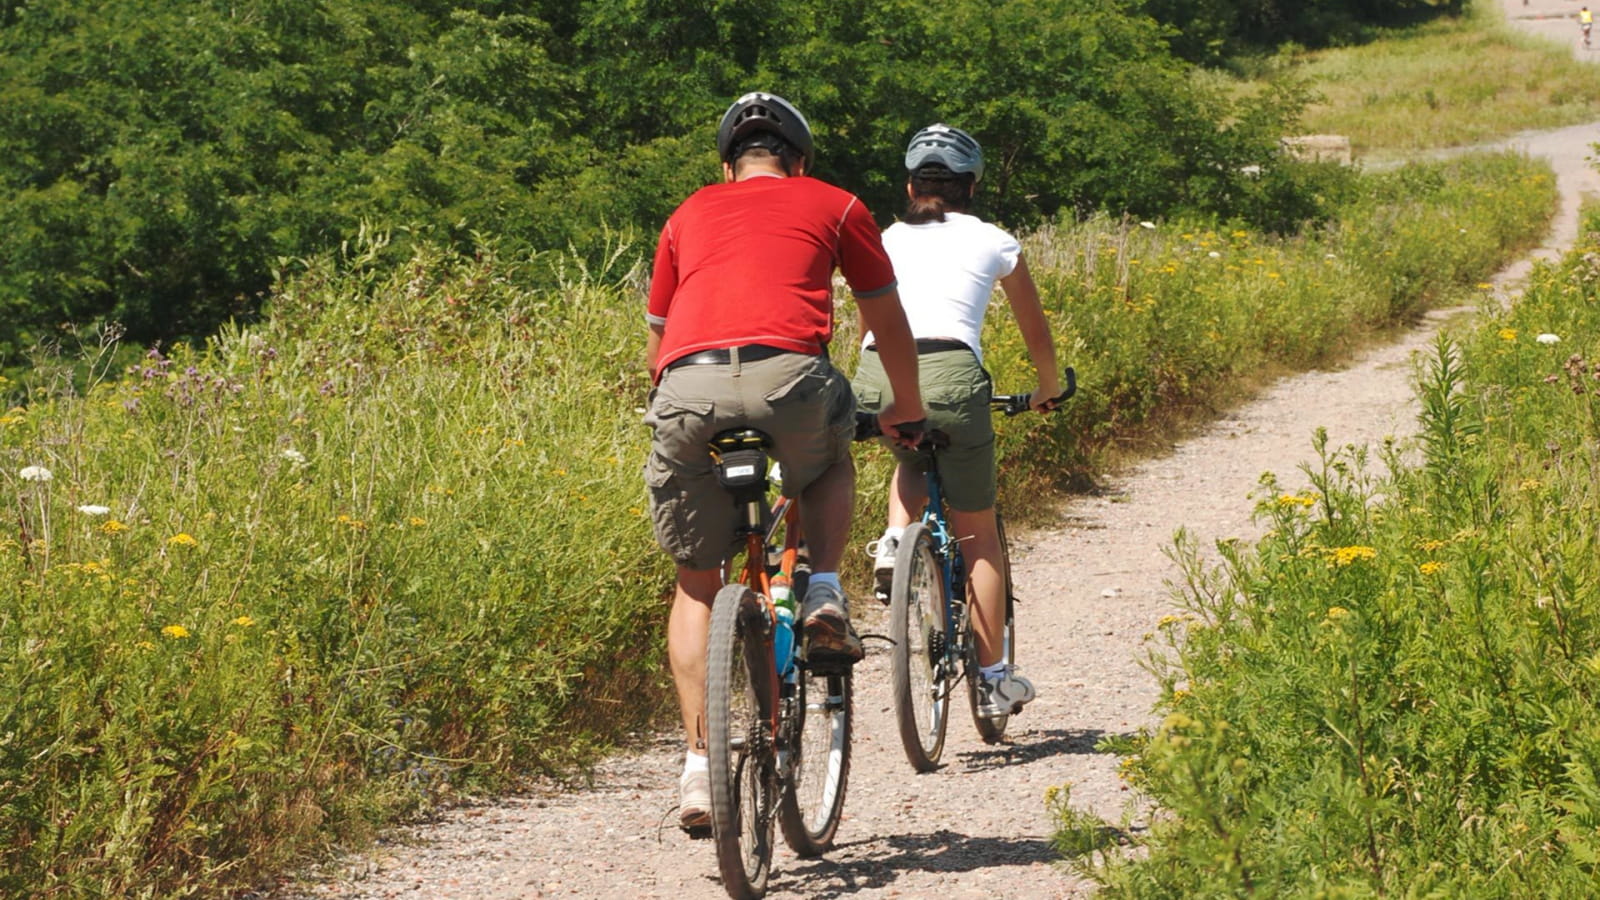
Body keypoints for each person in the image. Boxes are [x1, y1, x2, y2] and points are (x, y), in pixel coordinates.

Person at [644, 92, 926, 832]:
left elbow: (655, 347)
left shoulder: (686, 214)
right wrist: (905, 406)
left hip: (688, 388)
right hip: (790, 380)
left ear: (727, 164)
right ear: (799, 160)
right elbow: (884, 315)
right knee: (831, 455)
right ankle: (826, 592)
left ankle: (701, 771)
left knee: (696, 586)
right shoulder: (835, 205)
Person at [853, 123, 1064, 720]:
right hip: (951, 372)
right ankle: (995, 678)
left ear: (910, 184)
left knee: (909, 448)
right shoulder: (995, 240)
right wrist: (1046, 389)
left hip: (875, 371)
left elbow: (867, 313)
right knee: (979, 537)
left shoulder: (884, 236)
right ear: (971, 187)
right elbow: (1034, 330)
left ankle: (897, 540)